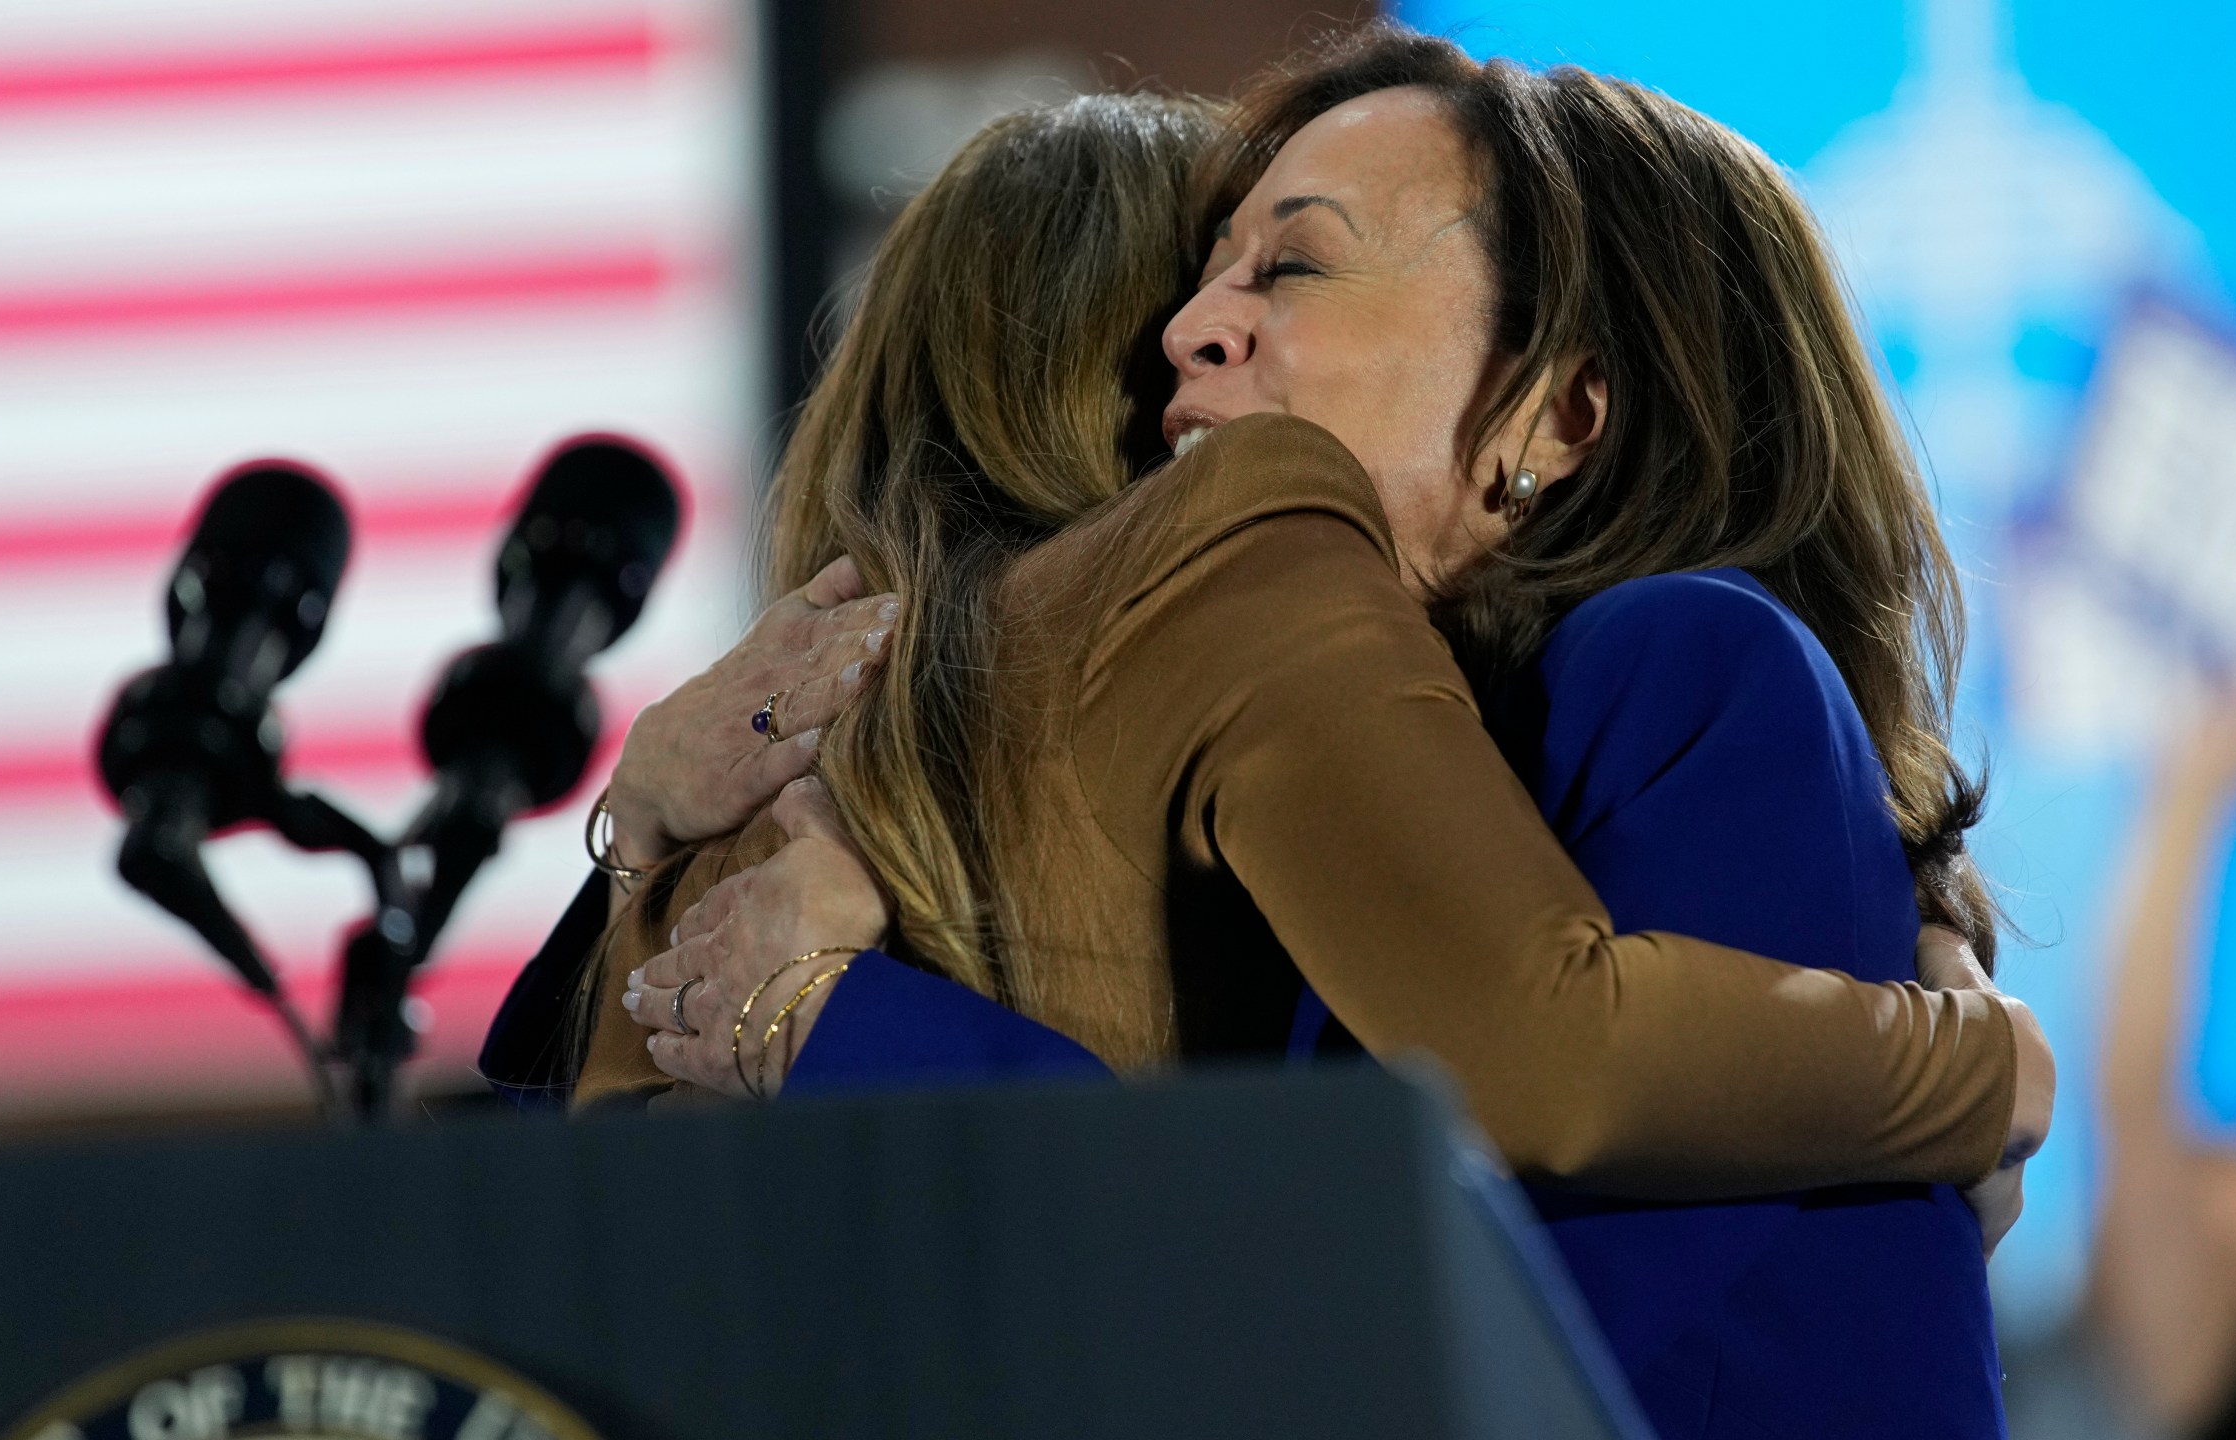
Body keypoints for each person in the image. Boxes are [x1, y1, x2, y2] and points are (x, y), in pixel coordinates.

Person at [487, 39, 2047, 1436]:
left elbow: (1434, 1304)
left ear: (1562, 410)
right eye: (1202, 273)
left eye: (1291, 270)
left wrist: (838, 1019)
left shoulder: (1687, 657)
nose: (1190, 332)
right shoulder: (1409, 779)